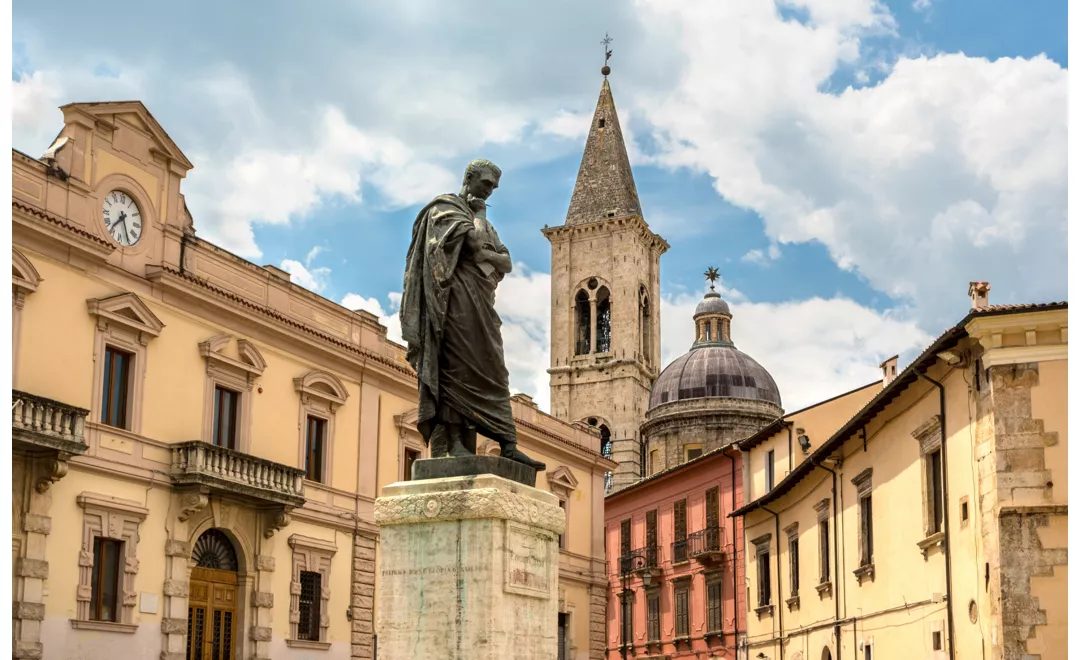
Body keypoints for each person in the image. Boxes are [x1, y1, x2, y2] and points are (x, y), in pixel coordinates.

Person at [400, 158, 545, 471]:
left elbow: (505, 261)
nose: (490, 192)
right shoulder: (446, 209)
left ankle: (509, 444)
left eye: (493, 187)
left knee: (496, 371)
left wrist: (486, 253)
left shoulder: (484, 222)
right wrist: (479, 219)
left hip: (481, 305)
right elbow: (477, 245)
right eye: (486, 184)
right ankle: (452, 444)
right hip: (453, 305)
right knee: (458, 369)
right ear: (469, 178)